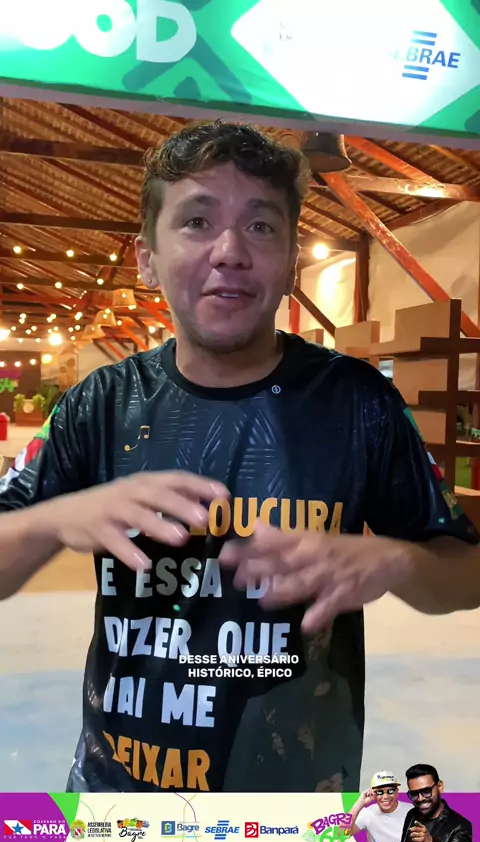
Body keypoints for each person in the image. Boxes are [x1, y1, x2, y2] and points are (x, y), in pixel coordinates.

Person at [0, 121, 479, 795]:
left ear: (290, 262)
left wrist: (400, 561)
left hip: (298, 802)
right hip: (119, 799)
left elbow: (467, 574)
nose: (230, 252)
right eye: (197, 221)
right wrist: (54, 519)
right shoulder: (98, 405)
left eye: (260, 226)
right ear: (147, 258)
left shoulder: (357, 403)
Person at [397, 764, 472, 842]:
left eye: (426, 791)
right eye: (414, 794)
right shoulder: (412, 814)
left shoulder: (460, 825)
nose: (420, 798)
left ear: (440, 787)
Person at [345, 771, 410, 842]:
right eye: (380, 792)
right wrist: (359, 804)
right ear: (373, 794)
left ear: (397, 792)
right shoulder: (368, 813)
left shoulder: (411, 811)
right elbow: (342, 833)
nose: (385, 797)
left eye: (390, 791)